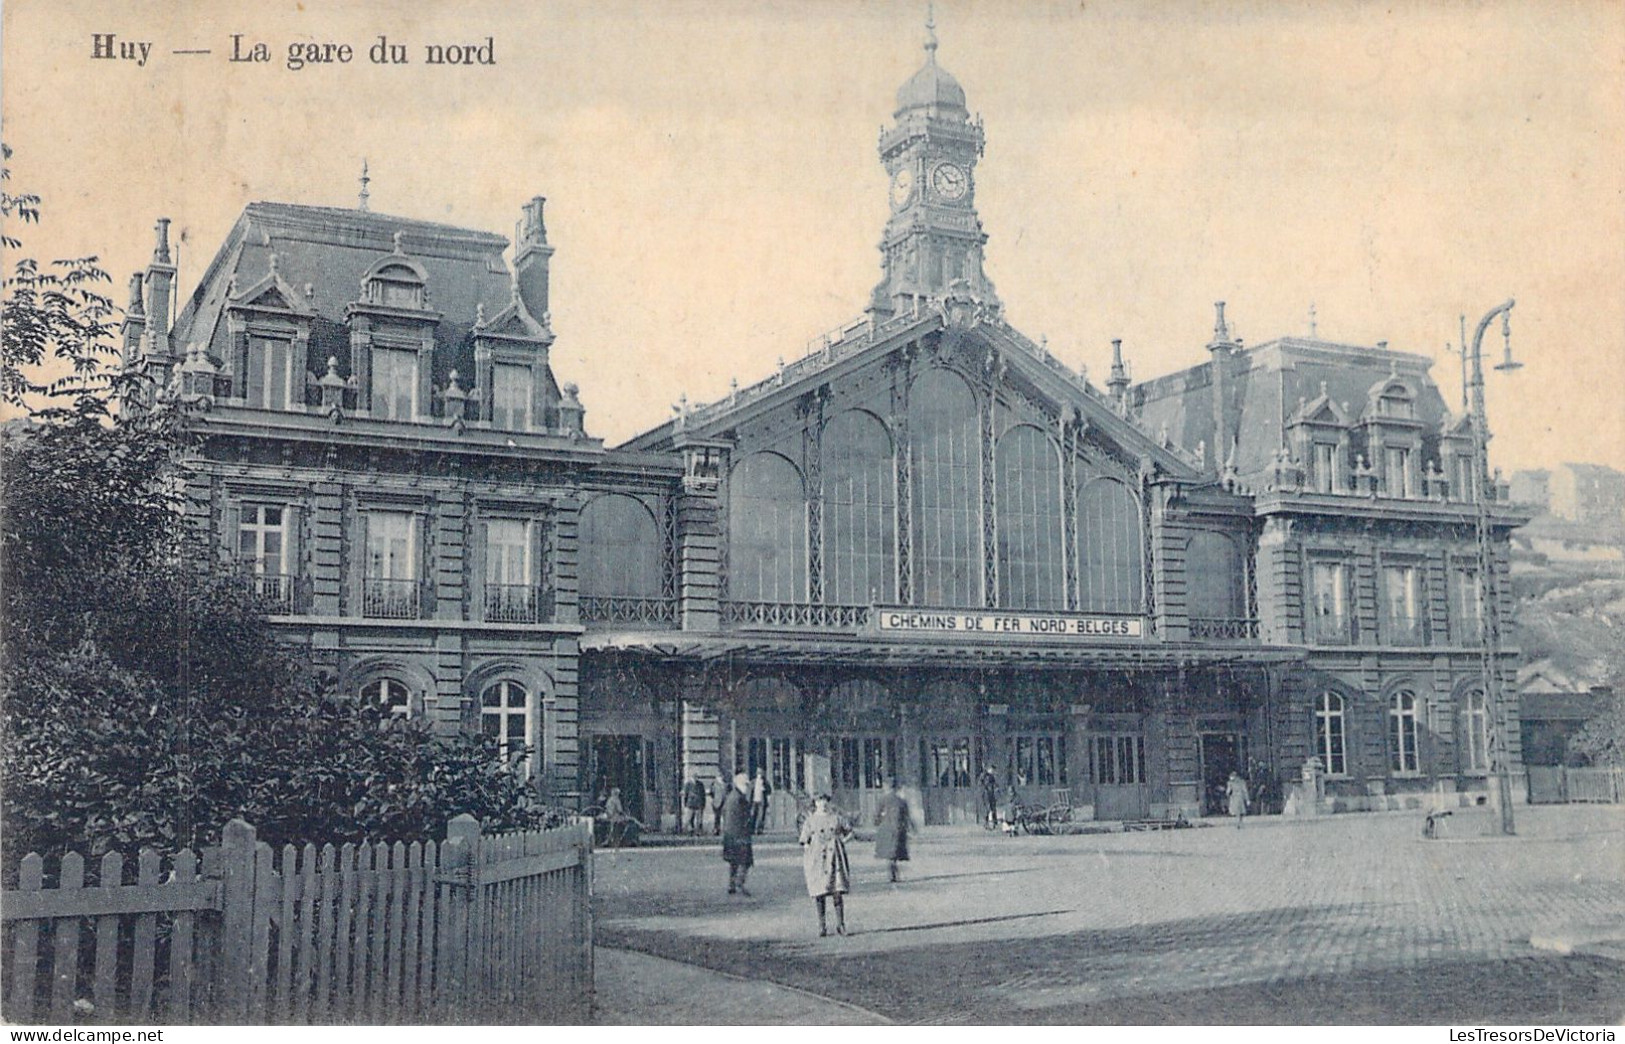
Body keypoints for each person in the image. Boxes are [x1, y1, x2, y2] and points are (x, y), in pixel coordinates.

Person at [799, 794, 852, 936]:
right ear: (815, 803)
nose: (822, 804)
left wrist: (841, 842)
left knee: (837, 891)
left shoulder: (835, 818)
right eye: (819, 801)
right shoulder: (810, 821)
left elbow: (849, 832)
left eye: (824, 801)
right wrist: (809, 851)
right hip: (818, 859)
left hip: (834, 857)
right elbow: (804, 840)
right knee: (819, 891)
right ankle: (822, 926)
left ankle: (841, 924)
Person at [720, 771, 755, 895]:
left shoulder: (731, 796)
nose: (747, 787)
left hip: (730, 835)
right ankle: (739, 883)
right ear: (740, 784)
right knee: (745, 861)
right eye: (746, 785)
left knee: (733, 861)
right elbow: (744, 818)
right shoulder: (739, 798)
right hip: (740, 836)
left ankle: (732, 885)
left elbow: (724, 813)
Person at [873, 777, 911, 882]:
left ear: (887, 787)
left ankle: (892, 872)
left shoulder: (883, 799)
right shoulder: (901, 801)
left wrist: (877, 822)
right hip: (898, 829)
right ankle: (893, 871)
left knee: (890, 853)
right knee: (894, 852)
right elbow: (906, 816)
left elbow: (877, 815)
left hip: (886, 829)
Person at [751, 766, 772, 835]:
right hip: (754, 800)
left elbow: (769, 791)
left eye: (760, 772)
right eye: (758, 772)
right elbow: (750, 791)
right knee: (753, 815)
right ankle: (752, 829)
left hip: (762, 801)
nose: (759, 774)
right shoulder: (753, 781)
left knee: (761, 816)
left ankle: (759, 830)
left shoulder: (765, 782)